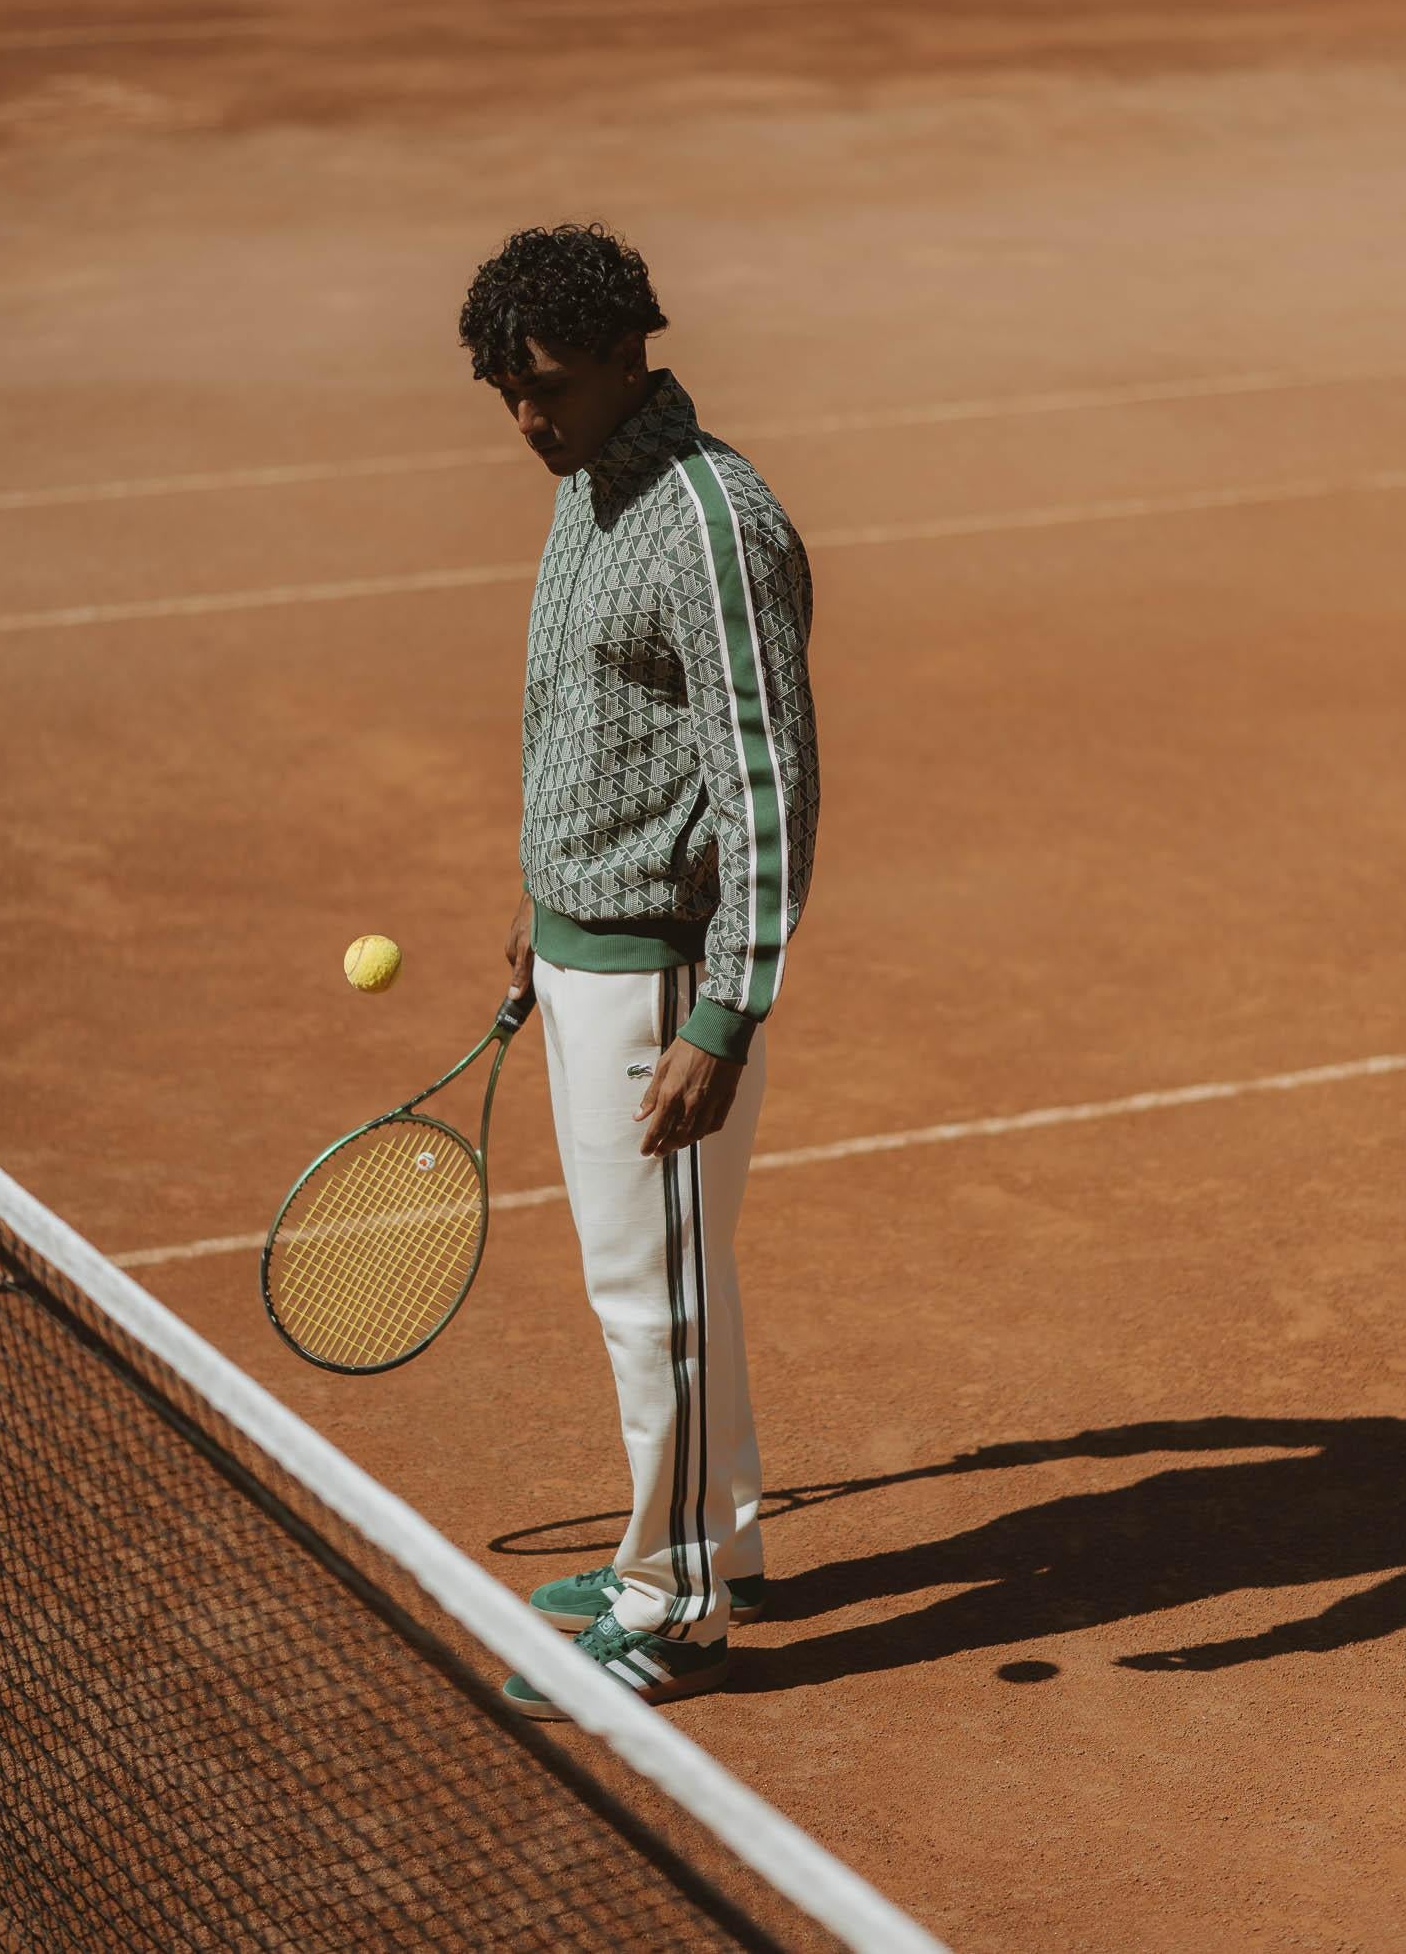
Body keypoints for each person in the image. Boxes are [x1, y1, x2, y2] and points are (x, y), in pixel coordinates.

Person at [458, 224, 819, 1715]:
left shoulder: (710, 523)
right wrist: (542, 893)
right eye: (504, 390)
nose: (524, 417)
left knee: (647, 1298)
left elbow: (767, 784)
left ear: (629, 356)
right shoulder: (592, 485)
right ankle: (715, 1540)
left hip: (667, 980)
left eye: (545, 385)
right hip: (583, 946)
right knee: (670, 1276)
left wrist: (726, 1009)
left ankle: (675, 1607)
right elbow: (583, 715)